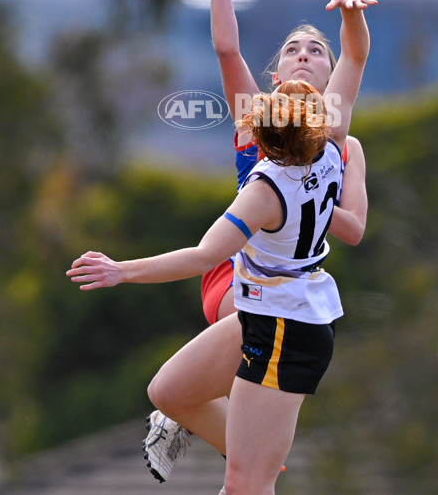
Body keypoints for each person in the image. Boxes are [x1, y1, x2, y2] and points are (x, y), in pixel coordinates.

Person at [138, 0, 382, 483]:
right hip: (236, 266)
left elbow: (357, 56)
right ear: (276, 79)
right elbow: (227, 48)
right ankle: (249, 449)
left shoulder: (338, 139)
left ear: (325, 82)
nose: (303, 54)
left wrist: (350, 14)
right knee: (253, 313)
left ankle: (246, 453)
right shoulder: (257, 121)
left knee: (197, 412)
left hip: (289, 279)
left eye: (314, 51)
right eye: (293, 50)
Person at [67, 75, 353, 495]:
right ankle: (258, 460)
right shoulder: (330, 152)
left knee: (243, 487)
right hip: (278, 312)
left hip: (284, 329)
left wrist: (121, 270)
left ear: (262, 130)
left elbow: (203, 257)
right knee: (169, 391)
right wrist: (351, 23)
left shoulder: (264, 189)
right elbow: (350, 72)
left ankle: (257, 469)